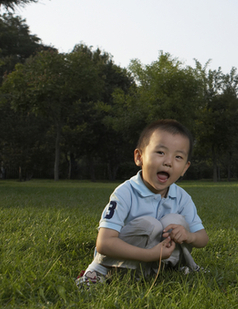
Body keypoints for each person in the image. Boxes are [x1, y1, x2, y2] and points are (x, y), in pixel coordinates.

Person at [76, 119, 209, 287]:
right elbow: (104, 243)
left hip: (159, 259)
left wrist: (189, 236)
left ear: (184, 168)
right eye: (160, 152)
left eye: (178, 157)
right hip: (120, 262)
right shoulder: (125, 192)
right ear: (139, 157)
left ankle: (174, 266)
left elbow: (203, 238)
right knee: (151, 224)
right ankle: (98, 271)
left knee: (175, 222)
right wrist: (149, 255)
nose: (168, 162)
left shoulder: (182, 197)